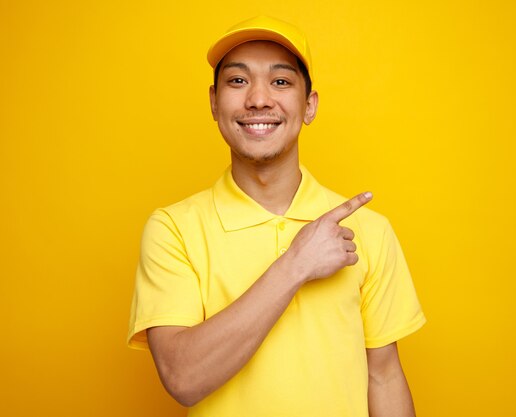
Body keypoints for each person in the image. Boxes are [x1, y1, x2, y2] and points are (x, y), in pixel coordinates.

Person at [127, 15, 426, 417]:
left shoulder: (368, 231)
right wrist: (296, 265)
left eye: (281, 82)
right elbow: (183, 378)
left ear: (309, 105)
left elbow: (384, 377)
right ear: (214, 103)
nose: (258, 99)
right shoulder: (173, 229)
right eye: (238, 81)